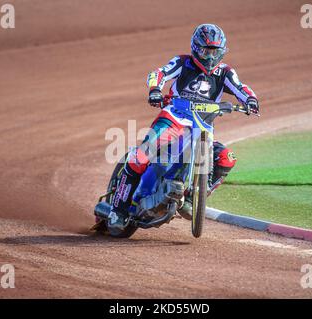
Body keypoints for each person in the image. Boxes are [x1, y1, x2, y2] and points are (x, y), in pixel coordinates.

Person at [109, 23, 259, 230]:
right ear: (196, 48)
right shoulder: (183, 62)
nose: (210, 57)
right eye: (206, 51)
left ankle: (192, 197)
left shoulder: (225, 72)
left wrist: (250, 100)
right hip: (173, 119)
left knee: (227, 158)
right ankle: (118, 211)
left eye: (215, 51)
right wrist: (155, 90)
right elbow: (158, 74)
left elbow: (241, 88)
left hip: (203, 128)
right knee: (140, 157)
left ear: (222, 51)